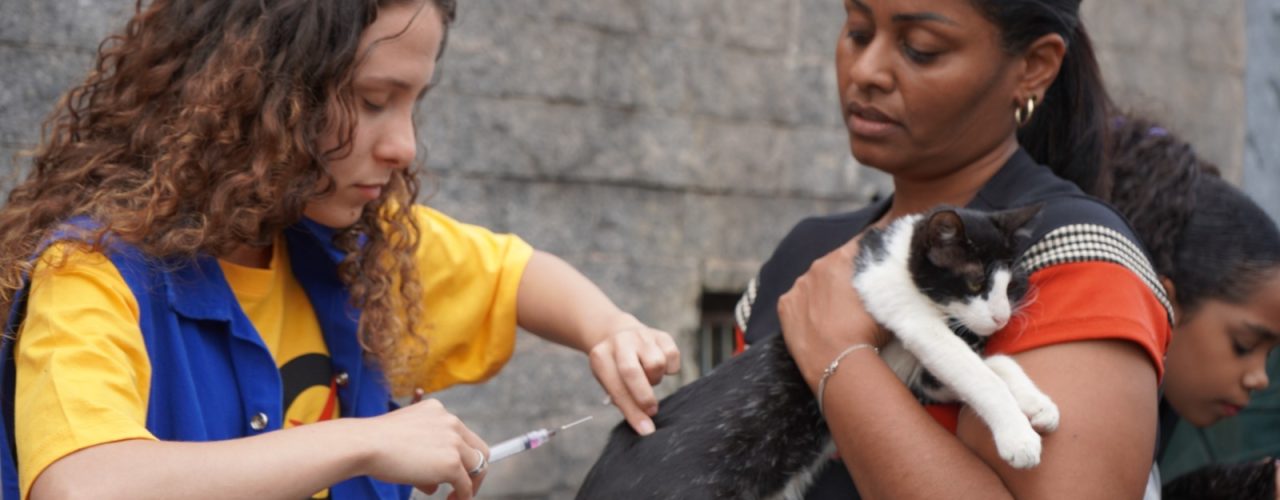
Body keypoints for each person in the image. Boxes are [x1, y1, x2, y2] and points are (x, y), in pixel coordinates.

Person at [0, 1, 680, 499]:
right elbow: (82, 484)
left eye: (414, 102)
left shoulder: (359, 249)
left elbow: (516, 274)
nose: (404, 146)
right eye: (374, 99)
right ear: (259, 91)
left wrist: (609, 329)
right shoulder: (90, 274)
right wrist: (363, 442)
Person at [733, 0, 1171, 497]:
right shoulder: (801, 257)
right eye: (857, 31)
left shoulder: (1076, 258)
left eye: (921, 49)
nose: (866, 71)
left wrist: (840, 360)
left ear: (1033, 67)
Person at [1106, 114, 1280, 499]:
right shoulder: (1078, 415)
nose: (1260, 379)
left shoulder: (1152, 415)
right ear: (1164, 303)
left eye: (1269, 354)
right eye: (1244, 346)